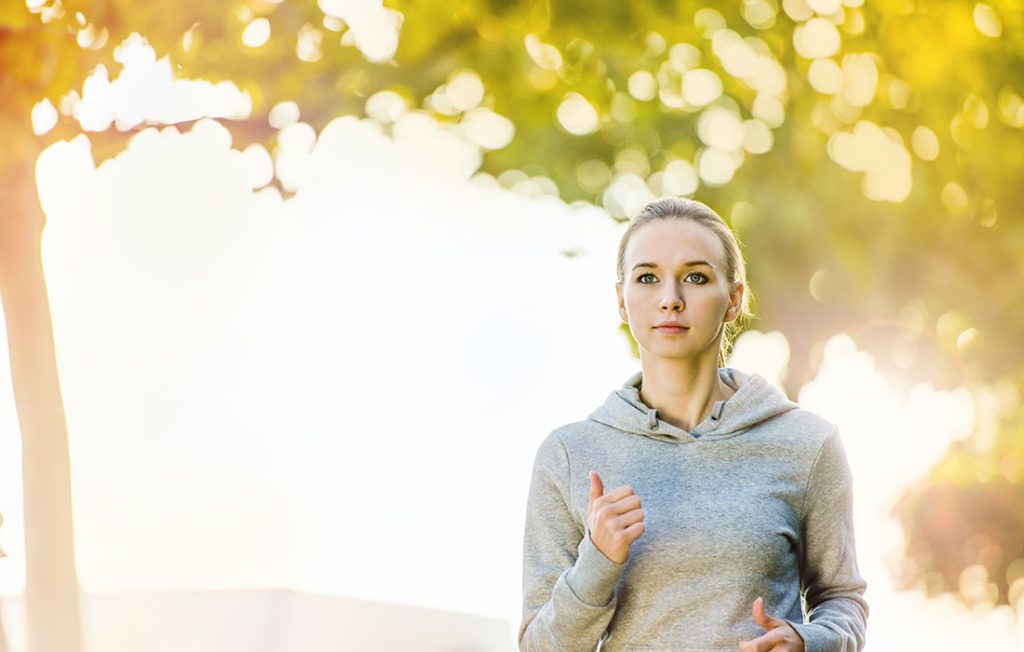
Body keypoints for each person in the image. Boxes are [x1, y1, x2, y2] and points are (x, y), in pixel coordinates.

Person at [518, 198, 868, 652]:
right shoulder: (568, 454)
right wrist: (597, 562)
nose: (670, 300)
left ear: (734, 299)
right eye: (647, 278)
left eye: (696, 277)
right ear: (622, 301)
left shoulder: (807, 444)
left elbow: (842, 600)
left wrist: (808, 642)